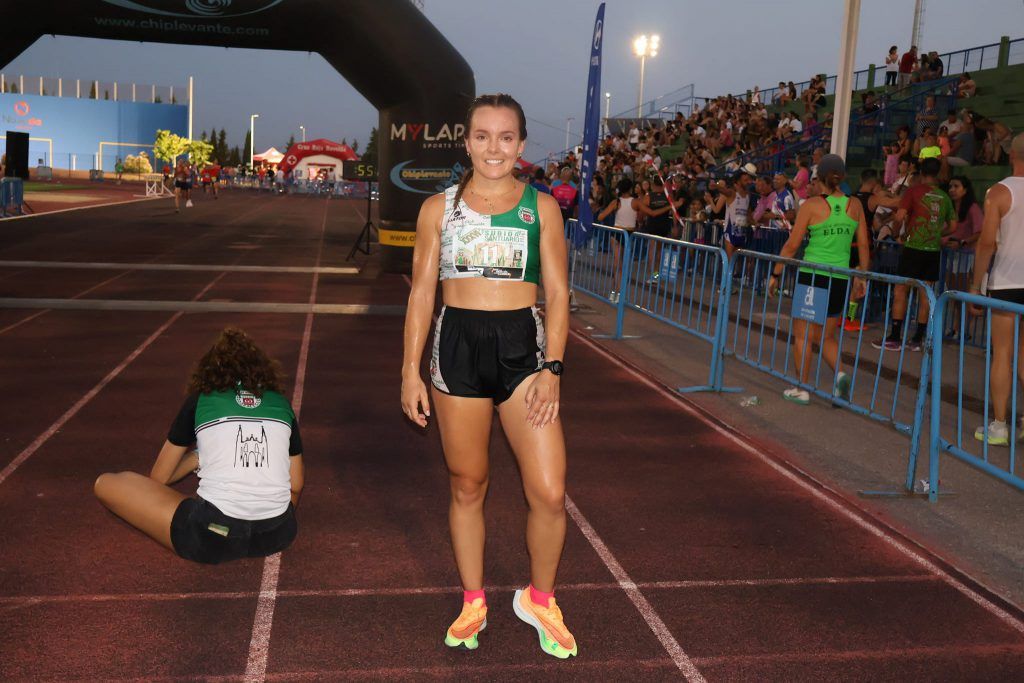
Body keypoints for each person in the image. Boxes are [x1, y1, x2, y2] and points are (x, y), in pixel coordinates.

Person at [401, 93, 577, 659]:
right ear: (468, 141)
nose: (494, 148)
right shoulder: (437, 209)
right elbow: (422, 295)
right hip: (455, 351)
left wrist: (553, 365)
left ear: (522, 144)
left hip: (523, 352)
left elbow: (557, 293)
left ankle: (540, 599)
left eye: (506, 137)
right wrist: (410, 370)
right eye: (483, 136)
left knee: (549, 493)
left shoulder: (542, 208)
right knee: (467, 484)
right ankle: (473, 598)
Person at [93, 328, 303, 563]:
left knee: (107, 482)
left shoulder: (201, 399)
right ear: (263, 369)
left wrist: (198, 455)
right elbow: (296, 485)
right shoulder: (281, 404)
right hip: (277, 535)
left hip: (212, 536)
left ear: (210, 370)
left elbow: (160, 478)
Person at [769, 154, 870, 405]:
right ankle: (841, 375)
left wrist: (775, 274)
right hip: (840, 278)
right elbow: (865, 245)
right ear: (842, 177)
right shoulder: (855, 205)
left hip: (813, 276)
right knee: (826, 337)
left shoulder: (811, 206)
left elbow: (792, 245)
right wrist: (861, 277)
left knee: (802, 335)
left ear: (820, 178)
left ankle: (802, 388)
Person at [969, 134, 1024, 445]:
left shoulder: (1000, 192)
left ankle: (1000, 425)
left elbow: (987, 243)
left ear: (1010, 155)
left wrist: (976, 286)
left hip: (1006, 282)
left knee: (1002, 353)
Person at [872, 157, 956, 351]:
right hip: (932, 251)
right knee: (925, 294)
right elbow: (953, 225)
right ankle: (918, 339)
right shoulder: (944, 196)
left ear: (921, 173)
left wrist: (895, 232)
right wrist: (937, 234)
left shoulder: (913, 192)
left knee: (901, 290)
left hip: (912, 248)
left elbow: (900, 216)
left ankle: (894, 337)